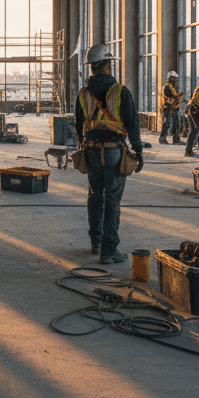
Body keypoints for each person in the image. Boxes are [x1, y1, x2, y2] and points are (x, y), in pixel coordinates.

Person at [74, 44, 141, 265]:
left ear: (91, 67)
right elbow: (132, 124)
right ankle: (109, 251)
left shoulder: (83, 94)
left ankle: (96, 243)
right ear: (107, 64)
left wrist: (84, 146)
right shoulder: (120, 91)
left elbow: (78, 125)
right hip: (114, 152)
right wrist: (138, 151)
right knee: (112, 201)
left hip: (91, 151)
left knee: (94, 197)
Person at [158, 70, 183, 144]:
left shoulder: (172, 87)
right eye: (174, 78)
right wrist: (178, 96)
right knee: (168, 122)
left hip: (173, 108)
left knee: (175, 123)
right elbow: (170, 96)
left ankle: (176, 139)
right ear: (170, 78)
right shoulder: (167, 86)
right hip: (168, 107)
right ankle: (162, 138)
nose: (176, 80)